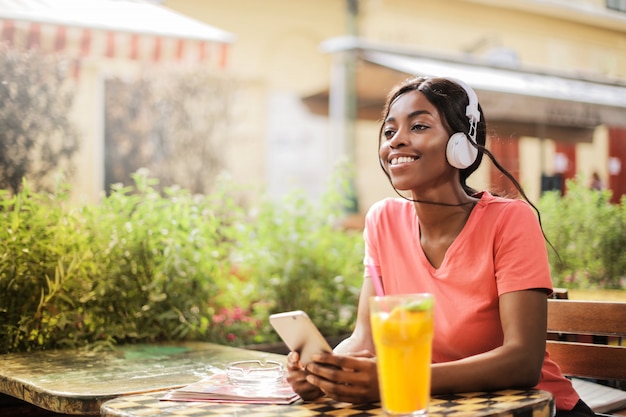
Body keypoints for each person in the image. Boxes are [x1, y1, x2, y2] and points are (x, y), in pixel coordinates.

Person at [286, 76, 595, 417]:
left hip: (537, 409)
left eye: (418, 126)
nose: (397, 141)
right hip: (443, 409)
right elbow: (365, 340)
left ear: (461, 144)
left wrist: (402, 378)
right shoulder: (382, 220)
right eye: (389, 132)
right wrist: (326, 372)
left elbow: (523, 361)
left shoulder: (510, 220)